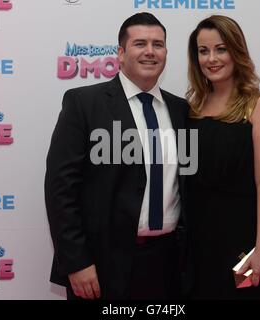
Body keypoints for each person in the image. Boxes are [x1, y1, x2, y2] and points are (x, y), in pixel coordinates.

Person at [44, 12, 188, 300]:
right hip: (103, 266)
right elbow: (60, 190)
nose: (150, 51)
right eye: (140, 43)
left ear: (166, 53)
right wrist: (77, 262)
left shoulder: (181, 109)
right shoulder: (84, 103)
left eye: (158, 44)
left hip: (168, 264)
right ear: (121, 53)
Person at [185, 15, 260, 299]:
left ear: (236, 51)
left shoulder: (259, 104)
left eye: (221, 48)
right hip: (196, 243)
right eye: (203, 51)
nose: (211, 58)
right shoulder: (193, 107)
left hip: (241, 247)